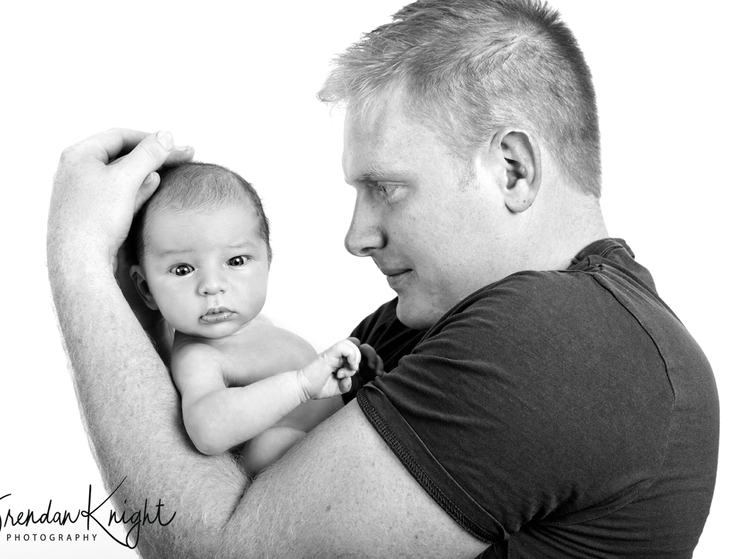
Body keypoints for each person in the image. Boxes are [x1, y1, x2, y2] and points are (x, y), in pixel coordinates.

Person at [47, 1, 719, 557]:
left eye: (386, 188)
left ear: (512, 170)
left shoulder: (561, 339)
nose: (356, 235)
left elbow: (224, 546)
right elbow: (241, 477)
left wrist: (80, 256)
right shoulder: (421, 330)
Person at [127, 161, 364, 475]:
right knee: (270, 445)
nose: (213, 285)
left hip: (338, 438)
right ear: (146, 289)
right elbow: (207, 430)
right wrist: (300, 385)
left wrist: (351, 374)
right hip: (291, 475)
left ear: (268, 260)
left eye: (236, 261)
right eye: (183, 269)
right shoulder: (200, 356)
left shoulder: (255, 322)